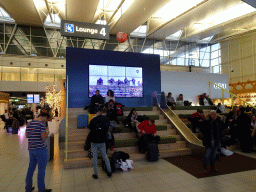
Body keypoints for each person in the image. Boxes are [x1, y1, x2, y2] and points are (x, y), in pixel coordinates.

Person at [25, 113, 51, 192]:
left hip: (31, 149)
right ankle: (41, 189)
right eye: (46, 119)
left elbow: (26, 135)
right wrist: (47, 133)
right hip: (40, 150)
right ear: (45, 117)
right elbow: (43, 138)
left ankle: (28, 188)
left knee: (31, 169)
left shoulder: (29, 123)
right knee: (41, 170)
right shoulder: (41, 124)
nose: (46, 121)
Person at [87, 108, 112, 179]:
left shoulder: (94, 119)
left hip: (94, 140)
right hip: (102, 140)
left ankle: (96, 174)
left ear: (99, 112)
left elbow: (90, 127)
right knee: (105, 156)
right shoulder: (106, 119)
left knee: (94, 157)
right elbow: (107, 128)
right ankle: (109, 172)